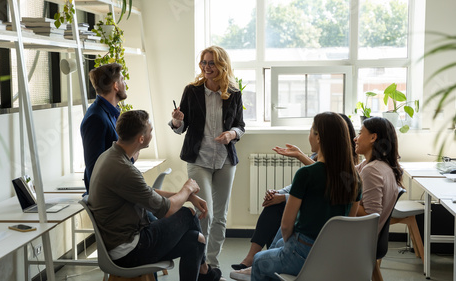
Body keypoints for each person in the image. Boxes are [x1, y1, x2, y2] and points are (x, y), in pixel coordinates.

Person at [88, 110, 222, 281]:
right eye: (150, 130)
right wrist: (187, 189)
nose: (152, 133)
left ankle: (204, 272)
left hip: (124, 244)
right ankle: (206, 272)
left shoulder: (110, 156)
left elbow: (147, 192)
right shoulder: (123, 168)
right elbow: (167, 210)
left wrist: (186, 196)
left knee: (195, 240)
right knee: (187, 214)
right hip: (128, 251)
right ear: (141, 139)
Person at [231, 112, 362, 281]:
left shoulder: (306, 174)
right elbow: (347, 226)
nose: (309, 136)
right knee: (277, 246)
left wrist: (291, 247)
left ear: (319, 137)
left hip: (302, 253)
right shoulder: (355, 178)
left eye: (310, 131)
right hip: (334, 256)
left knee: (259, 260)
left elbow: (286, 226)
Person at [170, 45, 245, 268]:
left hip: (225, 160)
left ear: (222, 65)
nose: (206, 67)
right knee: (206, 213)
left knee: (221, 215)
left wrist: (231, 134)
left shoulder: (234, 92)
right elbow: (180, 127)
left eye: (211, 63)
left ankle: (212, 264)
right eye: (203, 62)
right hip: (198, 159)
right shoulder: (192, 91)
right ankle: (201, 263)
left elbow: (240, 126)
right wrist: (176, 120)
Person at [81, 63, 128, 194]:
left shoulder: (111, 114)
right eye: (122, 80)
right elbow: (95, 168)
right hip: (110, 198)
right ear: (115, 86)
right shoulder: (95, 118)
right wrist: (132, 155)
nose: (125, 84)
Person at [354, 116, 403, 232]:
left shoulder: (371, 170)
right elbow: (339, 173)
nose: (355, 139)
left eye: (360, 133)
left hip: (361, 238)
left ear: (373, 137)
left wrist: (344, 200)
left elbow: (371, 215)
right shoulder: (375, 165)